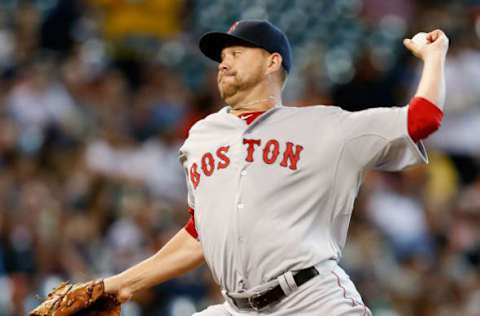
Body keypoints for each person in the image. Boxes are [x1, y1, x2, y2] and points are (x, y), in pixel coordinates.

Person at [103, 20, 448, 315]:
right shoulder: (201, 137)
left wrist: (433, 57)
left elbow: (423, 118)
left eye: (236, 54)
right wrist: (117, 286)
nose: (223, 64)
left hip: (312, 299)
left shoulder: (326, 126)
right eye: (222, 58)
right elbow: (201, 233)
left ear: (272, 62)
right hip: (235, 307)